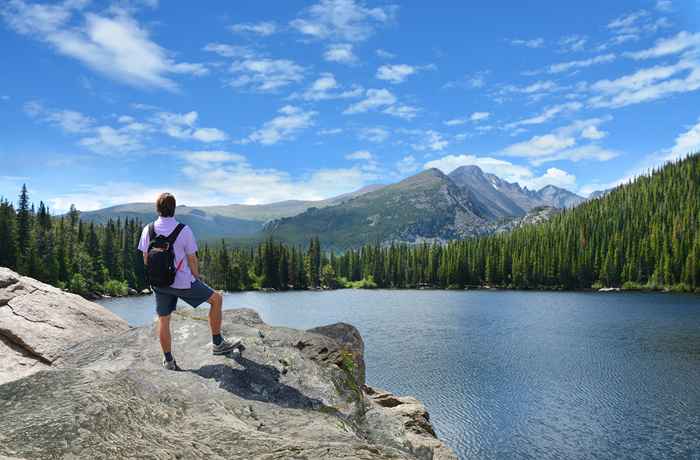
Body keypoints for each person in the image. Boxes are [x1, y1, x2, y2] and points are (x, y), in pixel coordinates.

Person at [138, 193, 240, 371]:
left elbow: (146, 258)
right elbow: (192, 259)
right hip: (183, 283)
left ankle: (169, 361)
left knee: (164, 320)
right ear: (174, 208)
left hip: (159, 284)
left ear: (158, 209)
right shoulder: (183, 230)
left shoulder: (148, 229)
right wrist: (196, 277)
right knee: (216, 299)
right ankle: (218, 344)